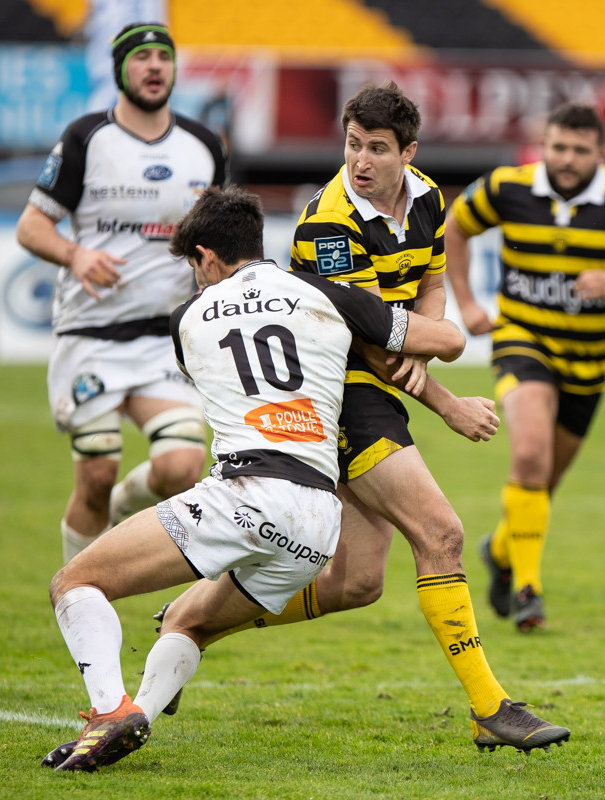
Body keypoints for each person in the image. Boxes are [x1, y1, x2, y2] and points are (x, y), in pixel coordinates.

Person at [156, 82, 571, 754]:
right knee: (441, 533)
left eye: (377, 148)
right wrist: (447, 402)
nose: (361, 161)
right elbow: (375, 341)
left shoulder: (428, 196)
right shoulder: (328, 223)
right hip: (337, 390)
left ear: (408, 151)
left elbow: (430, 284)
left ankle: (192, 620)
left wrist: (426, 343)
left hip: (377, 376)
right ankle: (491, 708)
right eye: (353, 144)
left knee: (356, 582)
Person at [43, 185, 471, 771]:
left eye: (195, 268)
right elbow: (445, 341)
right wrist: (412, 338)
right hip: (320, 521)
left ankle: (106, 711)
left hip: (244, 491)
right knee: (190, 620)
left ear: (207, 257)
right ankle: (133, 718)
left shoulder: (184, 319)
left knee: (75, 582)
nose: (196, 281)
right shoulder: (327, 293)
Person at [445, 102, 605, 632]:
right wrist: (465, 303)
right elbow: (455, 226)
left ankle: (502, 550)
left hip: (588, 363)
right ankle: (529, 591)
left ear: (601, 153)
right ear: (544, 145)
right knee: (529, 455)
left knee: (543, 484)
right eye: (558, 147)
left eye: (580, 150)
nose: (567, 159)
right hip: (523, 341)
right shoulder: (507, 186)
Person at [16, 22, 228, 564]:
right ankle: (78, 595)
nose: (155, 66)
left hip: (166, 339)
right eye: (141, 57)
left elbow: (224, 236)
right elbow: (32, 227)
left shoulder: (204, 146)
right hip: (91, 335)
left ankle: (119, 506)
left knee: (183, 468)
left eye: (164, 56)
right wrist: (76, 255)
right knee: (95, 470)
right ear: (120, 70)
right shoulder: (87, 137)